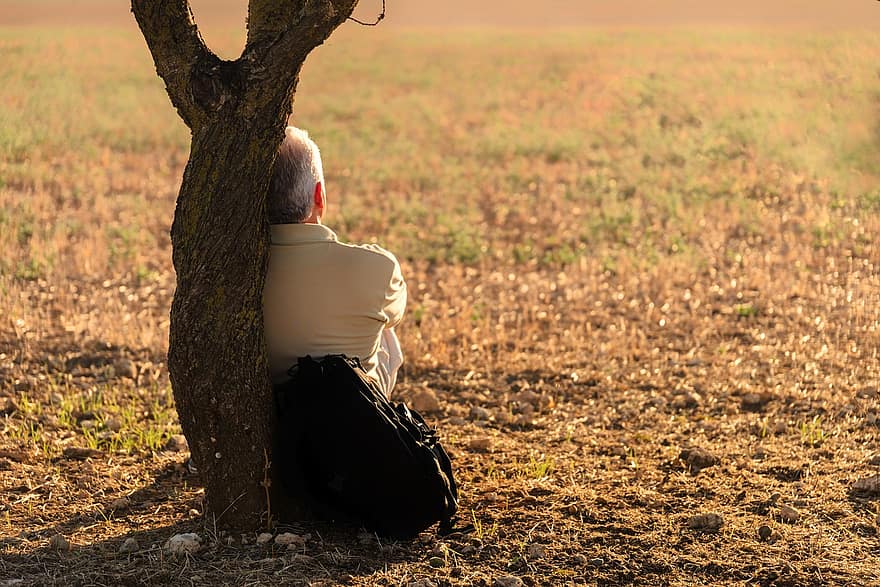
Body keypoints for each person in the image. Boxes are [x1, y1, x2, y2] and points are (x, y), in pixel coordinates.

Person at [263, 126, 406, 398]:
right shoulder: (378, 268)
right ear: (319, 196)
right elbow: (396, 313)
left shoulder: (235, 272)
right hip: (352, 418)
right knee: (385, 331)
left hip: (273, 415)